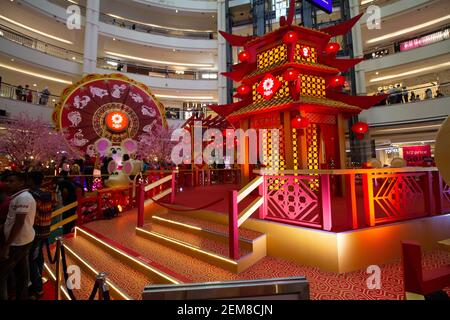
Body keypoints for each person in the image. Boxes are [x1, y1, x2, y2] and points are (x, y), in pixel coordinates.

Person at [0, 172, 36, 300]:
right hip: (22, 239)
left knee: (2, 273)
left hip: (18, 242)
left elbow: (19, 222)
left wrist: (6, 245)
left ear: (22, 182)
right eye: (7, 181)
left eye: (12, 181)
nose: (8, 184)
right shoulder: (18, 197)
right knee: (21, 272)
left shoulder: (24, 198)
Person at [27, 172, 52, 300]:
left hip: (36, 231)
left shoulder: (33, 195)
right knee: (39, 256)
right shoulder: (47, 193)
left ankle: (37, 287)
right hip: (45, 229)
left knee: (31, 258)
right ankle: (39, 279)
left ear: (31, 180)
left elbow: (34, 215)